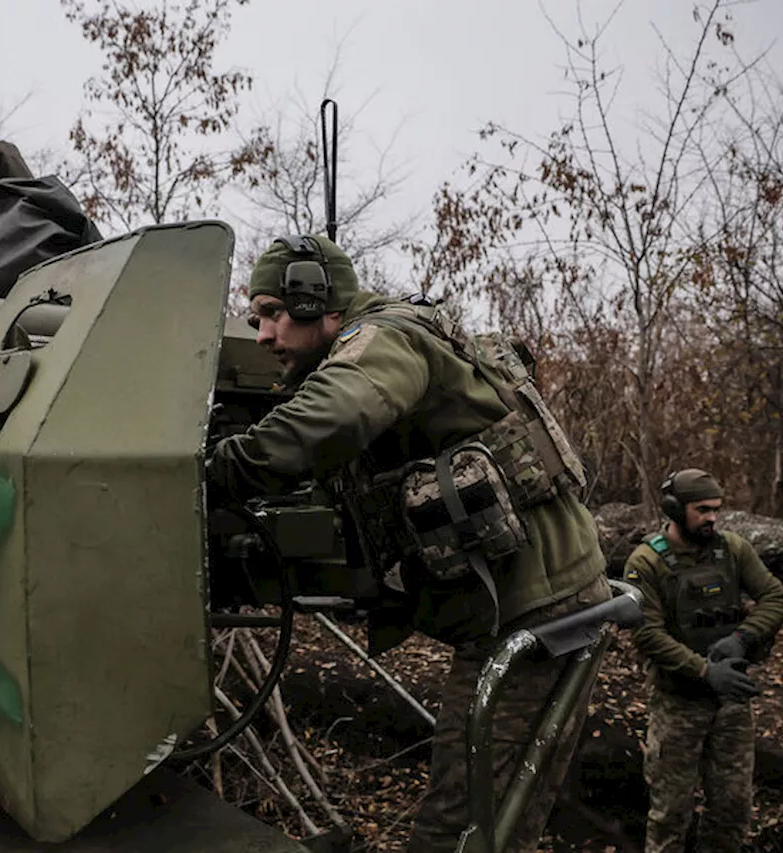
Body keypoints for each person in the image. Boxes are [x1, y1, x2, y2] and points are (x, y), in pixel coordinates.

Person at [206, 234, 612, 853]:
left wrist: (215, 469)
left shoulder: (382, 340)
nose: (260, 334)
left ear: (319, 301)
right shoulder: (383, 335)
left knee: (460, 828)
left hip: (535, 609)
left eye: (271, 313)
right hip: (542, 596)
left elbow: (334, 415)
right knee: (504, 817)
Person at [621, 468, 783, 853]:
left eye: (716, 509)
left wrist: (741, 638)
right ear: (673, 509)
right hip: (677, 705)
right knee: (671, 814)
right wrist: (703, 670)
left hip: (731, 702)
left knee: (732, 808)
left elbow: (776, 598)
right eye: (702, 510)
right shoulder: (646, 562)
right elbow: (647, 634)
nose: (712, 517)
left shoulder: (732, 549)